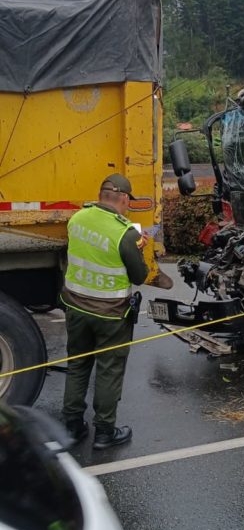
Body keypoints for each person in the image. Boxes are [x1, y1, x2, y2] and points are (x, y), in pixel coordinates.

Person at [61, 174, 156, 449]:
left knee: (77, 365)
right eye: (129, 203)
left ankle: (72, 426)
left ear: (101, 194)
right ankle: (104, 432)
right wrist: (140, 248)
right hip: (110, 315)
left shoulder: (77, 219)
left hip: (76, 308)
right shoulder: (126, 233)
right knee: (108, 370)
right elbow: (139, 276)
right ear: (125, 199)